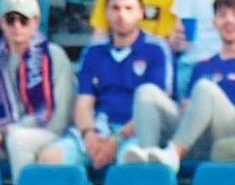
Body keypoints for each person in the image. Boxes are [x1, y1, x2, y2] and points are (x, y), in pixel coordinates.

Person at [119, 0, 235, 172]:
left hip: (231, 134)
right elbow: (188, 106)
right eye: (223, 15)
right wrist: (194, 108)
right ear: (214, 22)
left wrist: (211, 108)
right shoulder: (203, 65)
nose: (229, 21)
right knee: (147, 92)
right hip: (196, 138)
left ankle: (173, 153)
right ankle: (147, 159)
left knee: (205, 88)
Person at [38, 0, 174, 171]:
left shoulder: (156, 49)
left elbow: (155, 106)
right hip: (99, 128)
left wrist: (116, 140)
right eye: (115, 8)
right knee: (50, 159)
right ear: (106, 12)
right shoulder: (93, 51)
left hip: (137, 131)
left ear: (141, 13)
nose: (121, 15)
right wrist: (89, 135)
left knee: (131, 163)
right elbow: (83, 102)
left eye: (128, 9)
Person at [0, 0, 75, 181]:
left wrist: (4, 132)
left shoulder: (54, 56)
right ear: (1, 23)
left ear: (35, 22)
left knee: (18, 140)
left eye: (23, 20)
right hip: (0, 139)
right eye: (10, 20)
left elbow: (59, 119)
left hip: (48, 134)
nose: (17, 26)